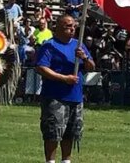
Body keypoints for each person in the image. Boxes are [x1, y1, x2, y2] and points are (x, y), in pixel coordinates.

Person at [35, 15, 95, 163]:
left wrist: (85, 58)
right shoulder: (49, 46)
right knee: (53, 132)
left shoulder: (78, 45)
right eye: (68, 26)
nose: (72, 29)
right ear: (59, 27)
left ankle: (66, 160)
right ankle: (50, 160)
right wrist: (64, 78)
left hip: (75, 97)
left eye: (74, 26)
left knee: (71, 132)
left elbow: (91, 67)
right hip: (55, 96)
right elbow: (41, 68)